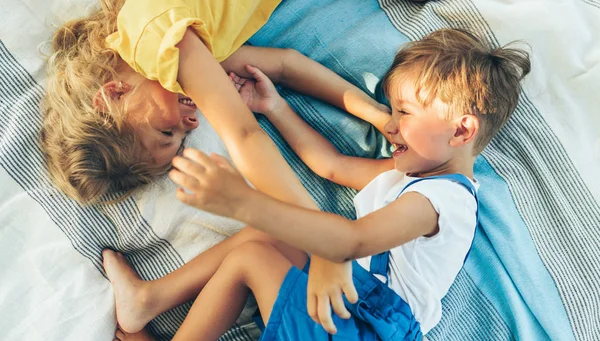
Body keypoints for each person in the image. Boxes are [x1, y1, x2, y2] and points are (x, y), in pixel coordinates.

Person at [102, 28, 531, 340]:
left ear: (461, 132)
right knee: (271, 233)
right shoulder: (408, 177)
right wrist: (275, 107)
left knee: (251, 258)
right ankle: (149, 300)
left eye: (404, 113)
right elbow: (329, 165)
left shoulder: (445, 201)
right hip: (353, 303)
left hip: (370, 326)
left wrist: (242, 201)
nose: (391, 126)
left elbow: (350, 242)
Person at [40, 0, 388, 204]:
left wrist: (318, 234)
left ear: (114, 94)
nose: (191, 124)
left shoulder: (153, 39)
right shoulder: (182, 61)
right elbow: (285, 65)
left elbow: (245, 135)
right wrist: (378, 116)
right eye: (180, 139)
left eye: (165, 130)